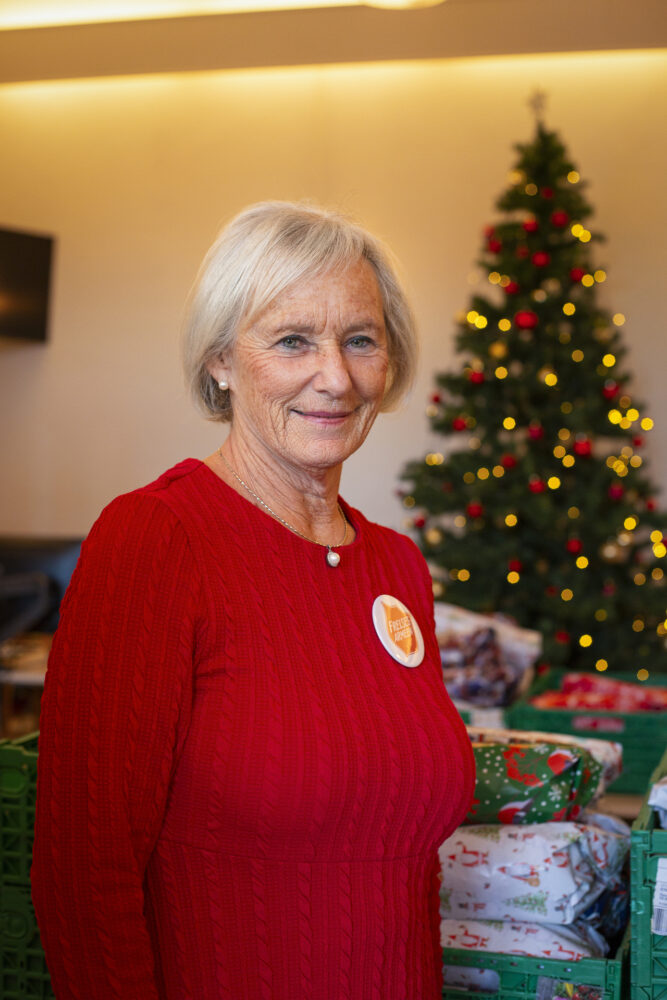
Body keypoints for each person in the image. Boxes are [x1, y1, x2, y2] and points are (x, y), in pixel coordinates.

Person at [32, 201, 475, 1000]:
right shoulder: (155, 540)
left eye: (360, 340)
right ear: (220, 362)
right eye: (293, 339)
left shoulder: (397, 567)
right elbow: (82, 871)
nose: (334, 376)